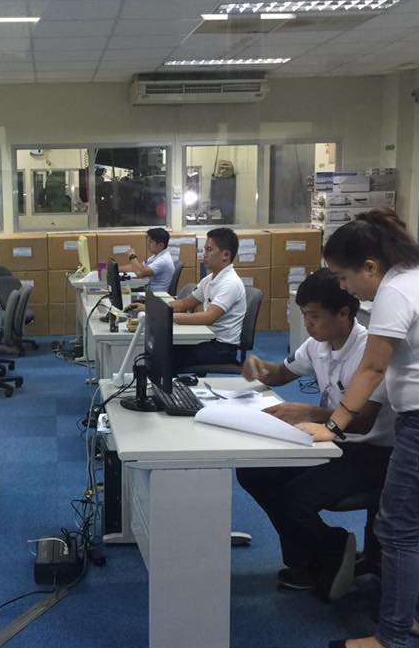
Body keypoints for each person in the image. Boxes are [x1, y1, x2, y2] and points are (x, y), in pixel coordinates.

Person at [297, 208, 419, 648]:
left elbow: (372, 367)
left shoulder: (394, 292)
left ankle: (391, 638)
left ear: (370, 266)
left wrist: (333, 426)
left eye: (344, 277)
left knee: (397, 531)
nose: (344, 287)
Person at [237, 268, 395, 602]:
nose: (308, 324)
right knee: (254, 472)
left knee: (295, 498)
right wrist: (260, 368)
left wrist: (312, 413)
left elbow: (364, 422)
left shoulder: (370, 351)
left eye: (314, 316)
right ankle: (317, 556)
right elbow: (282, 373)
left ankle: (327, 551)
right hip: (328, 443)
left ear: (344, 314)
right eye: (304, 315)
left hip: (371, 452)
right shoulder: (317, 344)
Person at [168, 227, 246, 369]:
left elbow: (208, 317)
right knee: (163, 347)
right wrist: (151, 309)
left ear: (225, 255)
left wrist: (167, 317)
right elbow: (184, 304)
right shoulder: (209, 279)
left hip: (222, 348)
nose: (204, 254)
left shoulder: (230, 283)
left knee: (165, 354)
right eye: (204, 250)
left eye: (209, 250)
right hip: (207, 339)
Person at [119, 227, 175, 293]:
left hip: (155, 296)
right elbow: (139, 266)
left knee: (123, 292)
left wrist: (132, 256)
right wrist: (116, 269)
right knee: (122, 289)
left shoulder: (163, 260)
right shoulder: (156, 256)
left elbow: (139, 273)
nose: (148, 244)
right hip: (149, 291)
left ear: (160, 245)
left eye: (151, 242)